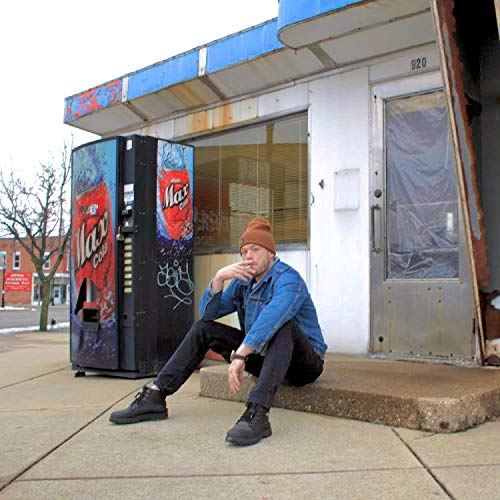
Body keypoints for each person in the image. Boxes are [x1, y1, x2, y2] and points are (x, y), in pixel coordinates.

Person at [110, 217, 327, 446]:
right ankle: (156, 395)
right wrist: (219, 279)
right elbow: (208, 315)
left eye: (255, 249)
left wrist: (242, 354)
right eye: (244, 252)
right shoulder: (243, 281)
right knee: (203, 329)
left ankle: (257, 413)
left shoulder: (289, 279)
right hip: (267, 358)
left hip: (304, 364)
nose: (248, 257)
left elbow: (273, 316)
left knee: (284, 325)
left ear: (271, 253)